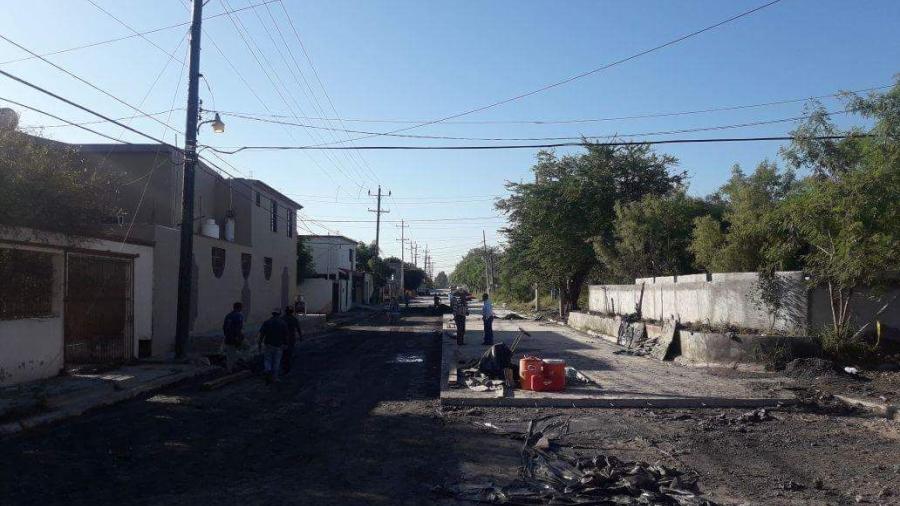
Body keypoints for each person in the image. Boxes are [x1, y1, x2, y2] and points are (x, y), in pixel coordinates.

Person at [258, 309, 288, 384]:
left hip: (268, 344)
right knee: (276, 362)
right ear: (279, 314)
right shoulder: (283, 323)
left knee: (268, 359)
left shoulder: (267, 322)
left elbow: (262, 333)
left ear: (273, 314)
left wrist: (260, 342)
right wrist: (286, 344)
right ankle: (274, 378)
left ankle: (267, 369)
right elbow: (286, 335)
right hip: (278, 345)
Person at [222, 302, 245, 373]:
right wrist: (239, 337)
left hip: (228, 337)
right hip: (235, 337)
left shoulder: (228, 315)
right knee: (243, 349)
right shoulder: (239, 316)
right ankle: (233, 367)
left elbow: (224, 327)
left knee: (229, 353)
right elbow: (238, 328)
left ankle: (230, 368)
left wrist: (226, 335)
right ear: (239, 308)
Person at [281, 306, 302, 375]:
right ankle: (287, 367)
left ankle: (284, 367)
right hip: (291, 338)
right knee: (289, 353)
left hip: (283, 339)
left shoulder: (282, 319)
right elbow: (298, 328)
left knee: (284, 353)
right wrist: (300, 336)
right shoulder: (294, 319)